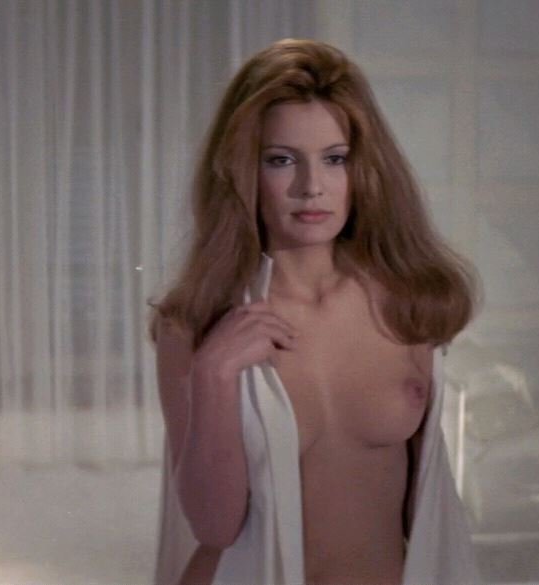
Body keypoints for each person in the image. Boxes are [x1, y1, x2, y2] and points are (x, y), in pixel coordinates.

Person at [150, 38, 481, 585]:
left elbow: (428, 512)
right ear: (242, 172)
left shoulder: (405, 302)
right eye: (281, 161)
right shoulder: (194, 322)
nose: (312, 187)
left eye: (334, 159)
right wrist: (213, 374)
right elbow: (214, 526)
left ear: (363, 168)